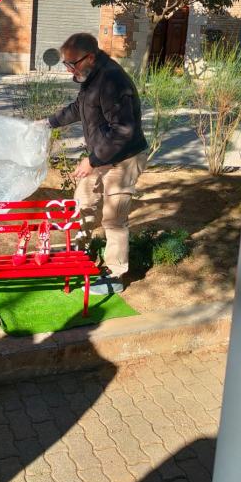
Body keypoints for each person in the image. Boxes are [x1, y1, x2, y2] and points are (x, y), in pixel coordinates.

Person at [45, 33, 148, 294]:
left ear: (90, 56)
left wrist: (92, 160)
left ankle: (115, 274)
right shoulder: (90, 76)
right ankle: (79, 257)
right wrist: (48, 123)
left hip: (124, 159)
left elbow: (123, 131)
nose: (69, 69)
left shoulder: (112, 80)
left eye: (72, 64)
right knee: (83, 204)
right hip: (102, 156)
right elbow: (79, 107)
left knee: (113, 219)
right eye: (65, 64)